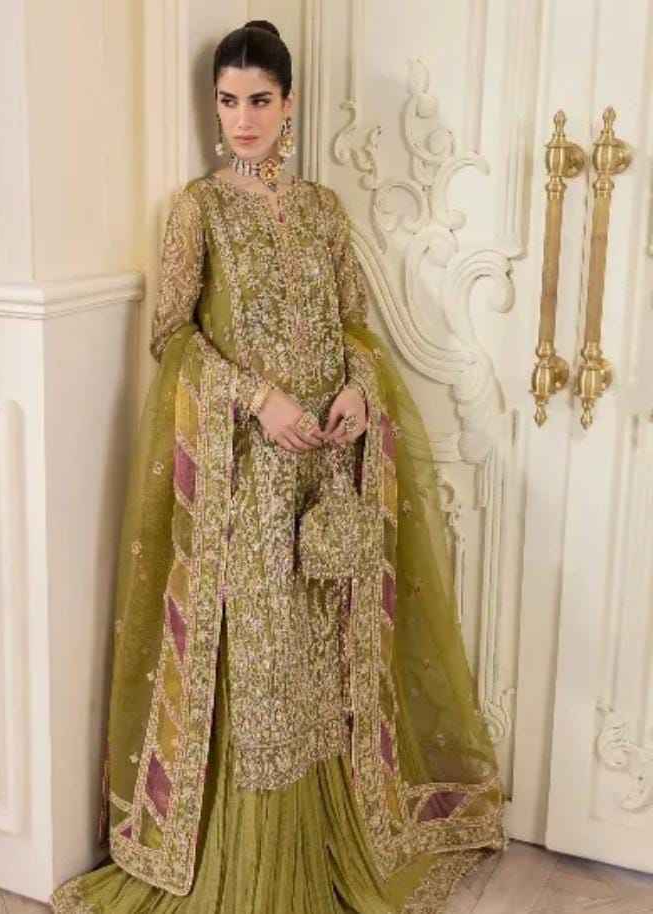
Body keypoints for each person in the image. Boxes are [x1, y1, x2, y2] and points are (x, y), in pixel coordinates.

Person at [50, 19, 508, 914]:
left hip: (326, 474)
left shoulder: (323, 211)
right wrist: (260, 399)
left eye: (259, 100)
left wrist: (359, 391)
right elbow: (173, 335)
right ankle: (248, 859)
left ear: (289, 104)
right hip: (247, 478)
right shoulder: (198, 211)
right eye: (228, 101)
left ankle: (331, 832)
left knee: (321, 661)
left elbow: (355, 326)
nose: (243, 120)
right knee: (260, 668)